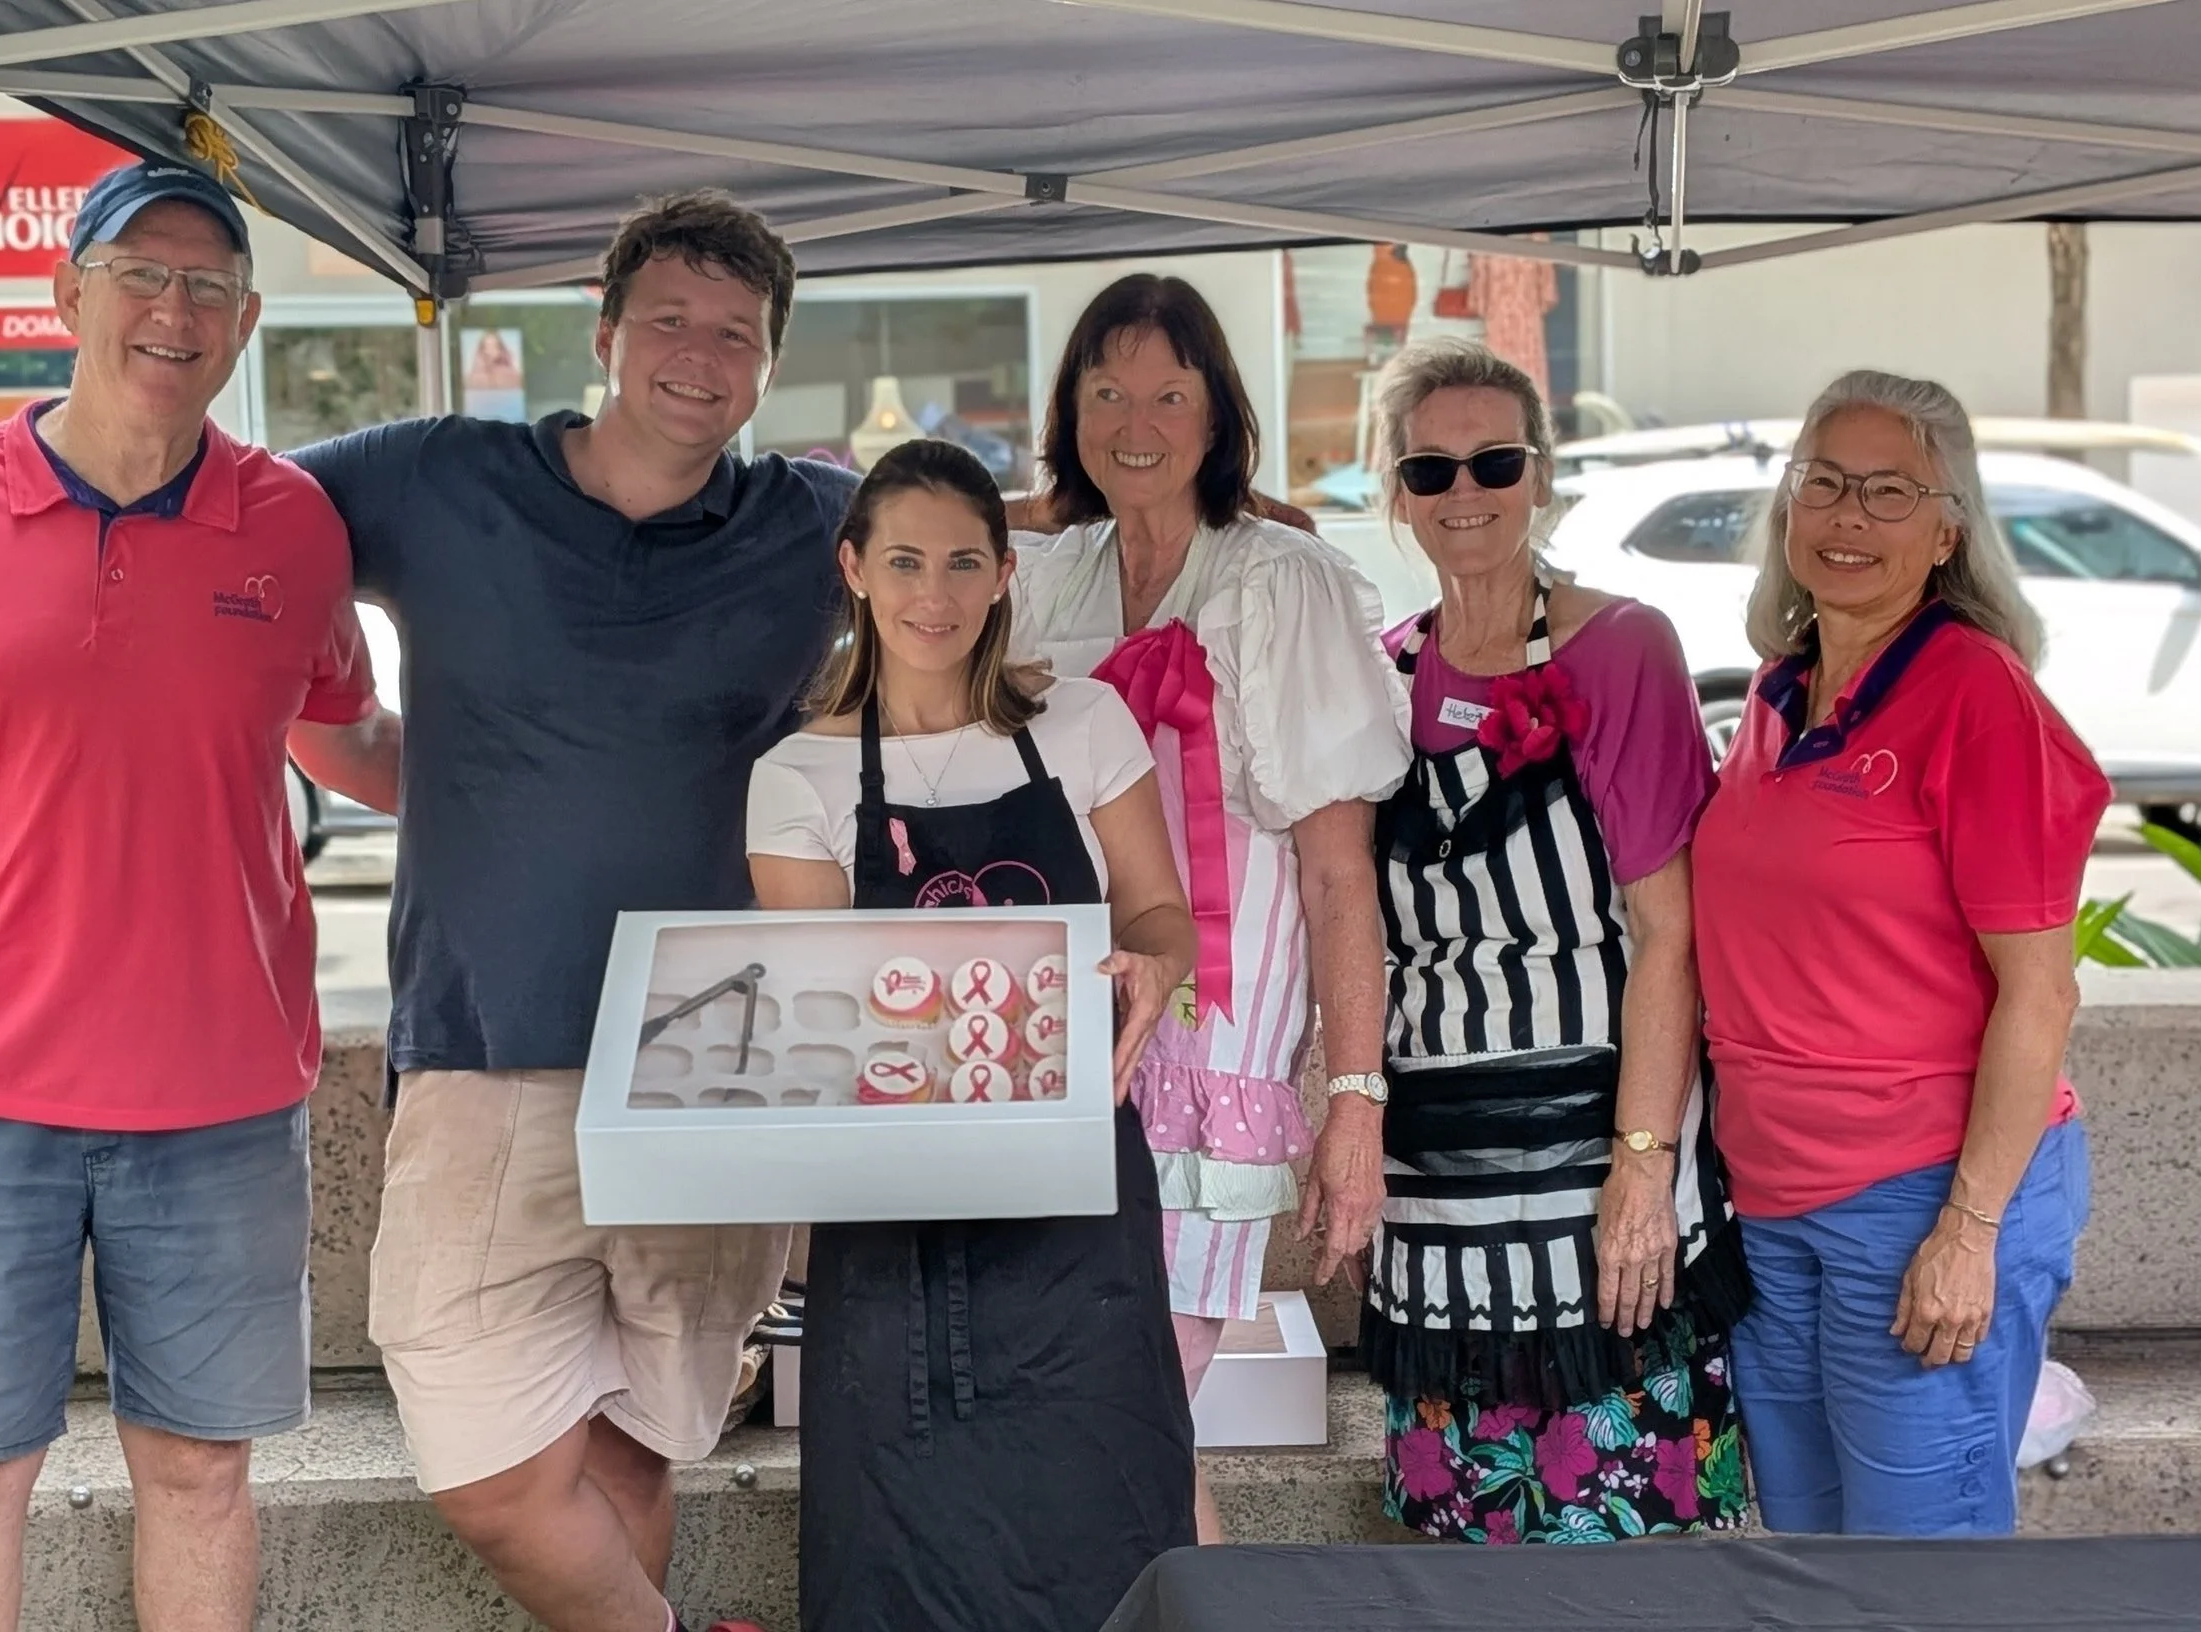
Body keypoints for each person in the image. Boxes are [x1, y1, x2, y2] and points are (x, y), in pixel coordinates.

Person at [0, 190, 852, 1632]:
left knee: (643, 1436)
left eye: (737, 336)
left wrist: (1175, 506)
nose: (699, 356)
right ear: (607, 330)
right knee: (487, 1459)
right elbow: (174, 473)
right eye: (671, 321)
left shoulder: (809, 517)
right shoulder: (434, 474)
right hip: (483, 1034)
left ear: (768, 366)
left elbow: (976, 549)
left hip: (721, 1049)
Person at [0, 161, 380, 1632]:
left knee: (200, 1475)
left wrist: (570, 774)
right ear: (66, 295)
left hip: (221, 1097)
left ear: (244, 325)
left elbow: (343, 736)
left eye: (205, 285)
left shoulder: (294, 525)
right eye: (140, 273)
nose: (171, 310)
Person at [747, 437, 1198, 1631]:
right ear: (853, 570)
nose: (932, 595)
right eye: (903, 562)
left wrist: (1157, 963)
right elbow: (813, 1005)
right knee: (897, 1537)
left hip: (1078, 1192)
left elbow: (1160, 911)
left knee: (1101, 1504)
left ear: (1005, 574)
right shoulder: (794, 775)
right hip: (894, 1217)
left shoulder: (1084, 723)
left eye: (961, 563)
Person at [1008, 273, 1412, 1541]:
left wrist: (1352, 1104)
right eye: (1106, 388)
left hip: (1212, 1050)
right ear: (1069, 407)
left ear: (1218, 411)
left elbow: (1341, 871)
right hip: (1059, 1040)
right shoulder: (1043, 578)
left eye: (1169, 392)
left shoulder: (1280, 578)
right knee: (1103, 1419)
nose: (1137, 419)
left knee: (1130, 1408)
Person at [1691, 370, 2102, 1537]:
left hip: (1922, 1194)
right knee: (1814, 1557)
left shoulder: (1976, 695)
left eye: (1886, 492)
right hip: (1772, 1200)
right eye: (1821, 483)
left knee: (1922, 1576)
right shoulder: (1781, 689)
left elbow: (2040, 990)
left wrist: (1967, 1234)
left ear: (1948, 528)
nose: (1846, 518)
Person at [1359, 340, 1751, 1544]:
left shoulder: (1620, 649)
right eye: (1430, 467)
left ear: (1539, 475)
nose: (1462, 491)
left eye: (1492, 461)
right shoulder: (1382, 677)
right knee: (1455, 1535)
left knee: (1622, 1530)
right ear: (1395, 489)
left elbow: (1667, 932)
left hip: (1597, 1152)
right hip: (1436, 1184)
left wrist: (1641, 1165)